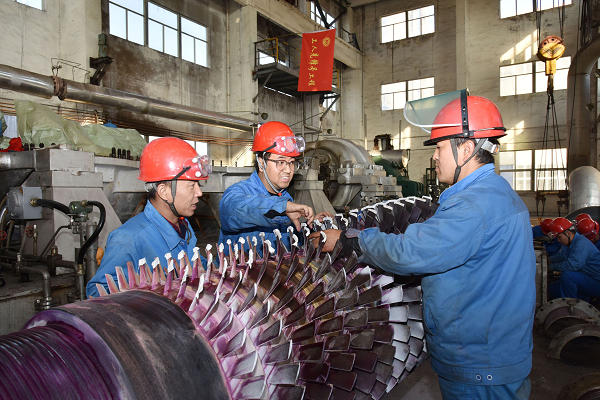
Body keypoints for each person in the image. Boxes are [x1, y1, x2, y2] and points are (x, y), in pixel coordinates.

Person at [311, 90, 535, 399]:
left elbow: (410, 252)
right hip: (496, 351)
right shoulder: (497, 192)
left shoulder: (473, 205)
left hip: (479, 365)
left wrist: (352, 241)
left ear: (466, 149)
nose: (434, 156)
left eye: (439, 147)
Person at [86, 137, 209, 297]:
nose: (199, 192)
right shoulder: (128, 239)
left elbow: (194, 263)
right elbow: (97, 293)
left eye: (198, 185)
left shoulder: (183, 226)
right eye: (191, 185)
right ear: (164, 191)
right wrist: (146, 297)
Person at [219, 121, 331, 255]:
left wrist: (311, 227)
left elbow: (288, 242)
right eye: (280, 162)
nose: (288, 170)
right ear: (261, 163)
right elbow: (232, 211)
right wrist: (282, 207)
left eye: (291, 162)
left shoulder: (285, 197)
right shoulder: (238, 192)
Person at [548, 217, 600, 302]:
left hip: (596, 282)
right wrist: (547, 260)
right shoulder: (570, 242)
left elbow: (572, 265)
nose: (558, 240)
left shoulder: (581, 244)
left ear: (568, 233)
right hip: (586, 277)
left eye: (559, 237)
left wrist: (551, 267)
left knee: (568, 276)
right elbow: (562, 256)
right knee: (552, 288)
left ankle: (571, 306)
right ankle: (585, 299)